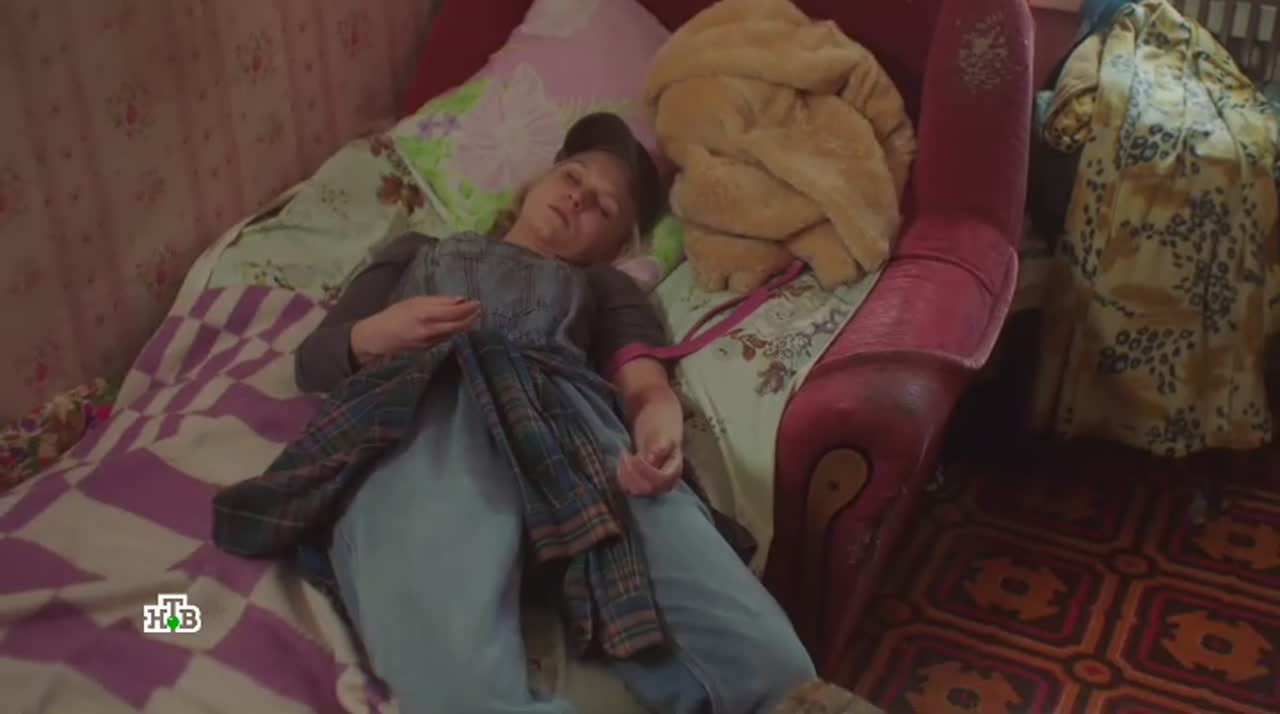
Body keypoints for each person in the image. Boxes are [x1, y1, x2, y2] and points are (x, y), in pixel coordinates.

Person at [213, 113, 815, 714]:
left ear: (614, 247)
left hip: (571, 436)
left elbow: (646, 388)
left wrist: (661, 440)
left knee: (773, 664)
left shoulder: (605, 289)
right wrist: (379, 333)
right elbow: (315, 358)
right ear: (535, 183)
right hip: (426, 414)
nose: (578, 197)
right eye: (573, 176)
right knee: (453, 682)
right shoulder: (417, 250)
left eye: (603, 207)